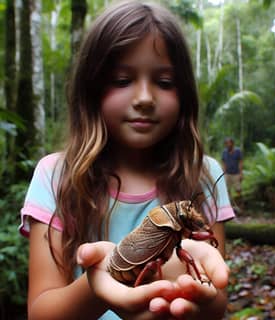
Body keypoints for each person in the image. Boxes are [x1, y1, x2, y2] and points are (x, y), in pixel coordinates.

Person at [19, 1, 235, 319]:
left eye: (164, 83)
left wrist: (194, 292)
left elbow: (216, 300)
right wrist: (98, 284)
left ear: (185, 94)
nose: (144, 98)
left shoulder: (204, 174)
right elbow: (41, 312)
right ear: (91, 91)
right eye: (121, 81)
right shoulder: (55, 175)